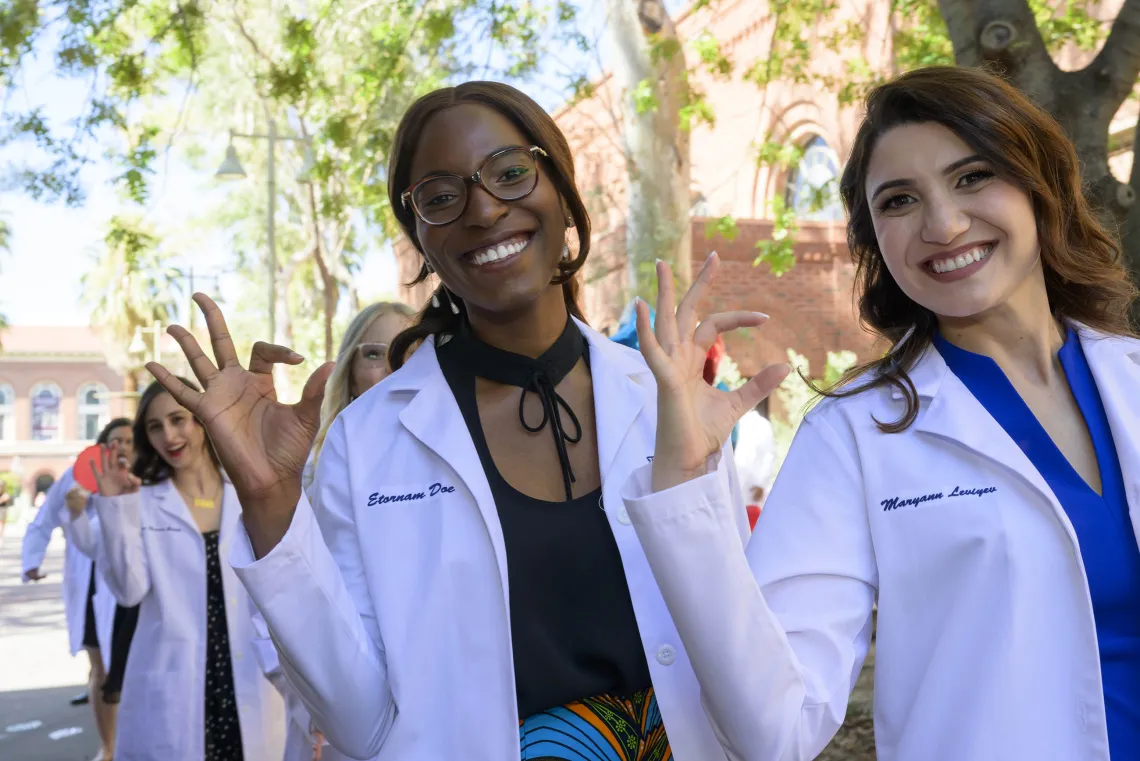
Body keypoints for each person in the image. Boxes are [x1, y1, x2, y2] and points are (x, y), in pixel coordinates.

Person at [142, 81, 783, 760]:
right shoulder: (368, 443)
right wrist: (270, 503)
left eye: (510, 173)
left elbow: (746, 674)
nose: (482, 209)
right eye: (442, 197)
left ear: (563, 194)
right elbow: (361, 726)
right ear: (422, 238)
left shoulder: (661, 402)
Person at [619, 65, 1140, 761]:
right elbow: (775, 729)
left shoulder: (1128, 374)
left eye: (973, 176)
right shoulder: (854, 435)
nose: (944, 223)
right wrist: (684, 484)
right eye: (899, 200)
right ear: (874, 239)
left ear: (1038, 185)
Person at [83, 379, 285, 761]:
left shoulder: (248, 492)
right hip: (174, 682)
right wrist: (114, 510)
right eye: (155, 427)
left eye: (178, 420)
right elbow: (128, 591)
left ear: (202, 420)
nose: (169, 436)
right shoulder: (140, 501)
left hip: (248, 676)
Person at [276, 300, 413, 761]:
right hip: (338, 716)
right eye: (374, 353)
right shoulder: (310, 468)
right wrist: (316, 706)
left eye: (405, 350)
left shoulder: (459, 460)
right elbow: (287, 601)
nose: (390, 367)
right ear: (350, 366)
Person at [60, 417, 135, 761]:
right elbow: (92, 546)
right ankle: (109, 747)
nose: (121, 447)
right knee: (103, 673)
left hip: (143, 598)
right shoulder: (88, 485)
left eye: (129, 441)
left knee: (137, 674)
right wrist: (75, 516)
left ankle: (128, 744)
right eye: (115, 441)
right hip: (103, 593)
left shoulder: (157, 485)